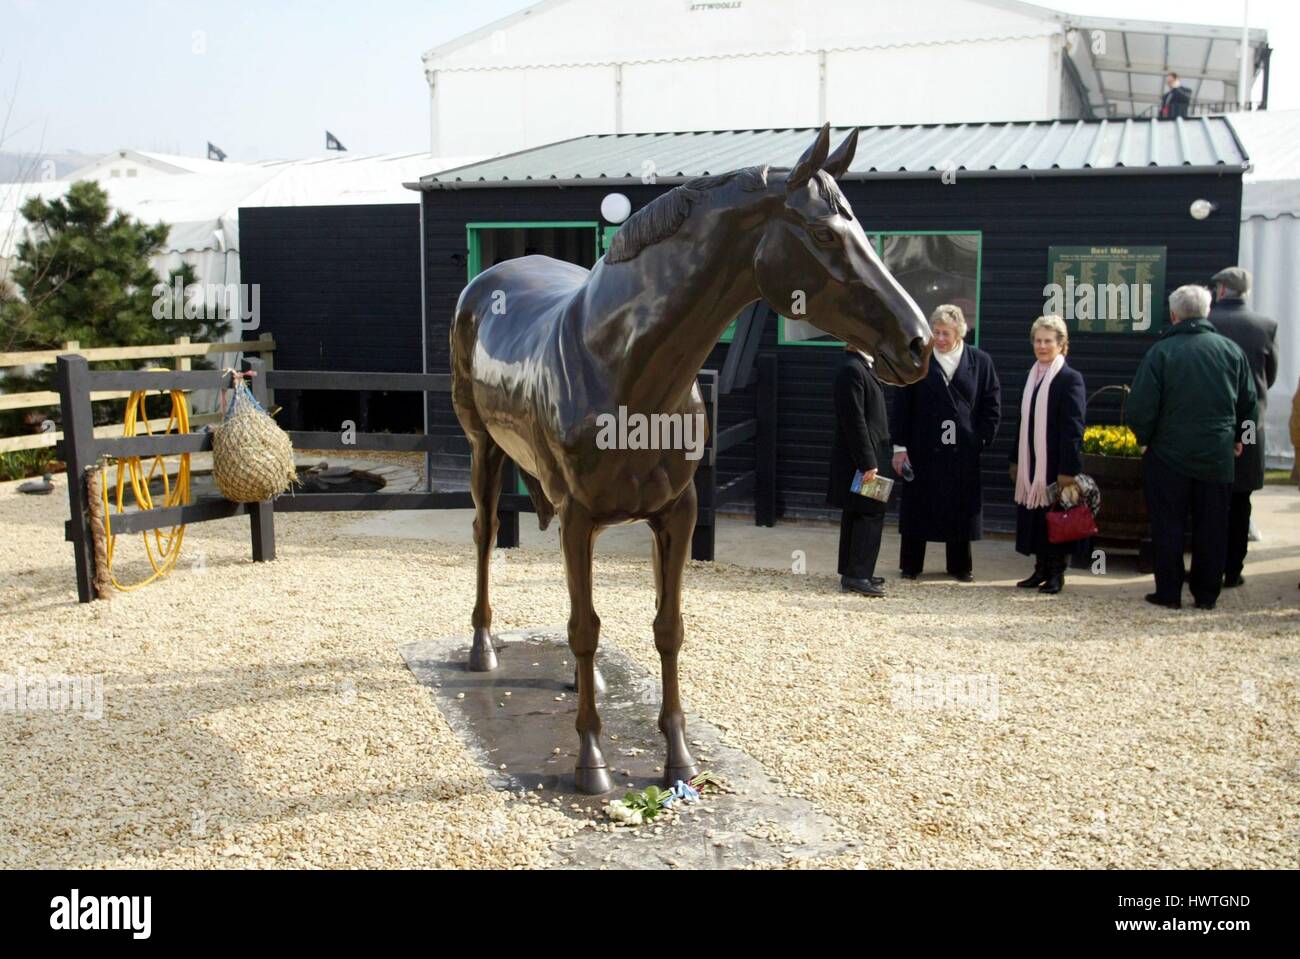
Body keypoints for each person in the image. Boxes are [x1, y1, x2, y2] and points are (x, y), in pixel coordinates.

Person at [1125, 285, 1257, 611]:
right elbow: (1249, 406)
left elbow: (1140, 407)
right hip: (1217, 457)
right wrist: (1243, 441)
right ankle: (1207, 594)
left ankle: (1168, 592)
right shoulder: (1231, 352)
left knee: (1167, 526)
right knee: (1212, 526)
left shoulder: (1161, 353)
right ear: (1207, 312)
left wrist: (1144, 441)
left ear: (1173, 315)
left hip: (1167, 457)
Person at [891, 304, 1001, 581]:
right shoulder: (919, 359)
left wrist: (980, 439)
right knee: (919, 507)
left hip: (962, 450)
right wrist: (900, 447)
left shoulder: (981, 362)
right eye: (936, 332)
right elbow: (902, 405)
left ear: (960, 333)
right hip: (923, 447)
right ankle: (911, 565)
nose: (940, 339)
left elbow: (992, 404)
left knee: (959, 508)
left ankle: (960, 566)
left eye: (946, 333)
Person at [1209, 267, 1279, 587]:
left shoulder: (1206, 322)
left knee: (1209, 498)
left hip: (1212, 422)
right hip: (1250, 422)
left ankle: (1207, 566)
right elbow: (1270, 375)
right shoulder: (1265, 326)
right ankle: (1233, 570)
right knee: (1241, 498)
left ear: (1221, 290)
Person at [1009, 315, 1087, 595]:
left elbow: (1074, 427)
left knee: (1057, 519)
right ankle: (1040, 569)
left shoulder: (1070, 379)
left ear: (1061, 344)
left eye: (1048, 341)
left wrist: (1069, 468)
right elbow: (1021, 422)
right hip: (1031, 462)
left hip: (1056, 464)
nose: (1042, 346)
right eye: (1038, 341)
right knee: (1035, 519)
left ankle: (1056, 574)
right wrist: (1015, 461)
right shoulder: (1028, 377)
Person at [827, 346, 892, 597]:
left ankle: (854, 570)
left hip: (869, 454)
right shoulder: (852, 370)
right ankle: (858, 575)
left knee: (858, 513)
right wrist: (868, 462)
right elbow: (854, 420)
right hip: (864, 459)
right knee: (869, 514)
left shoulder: (862, 367)